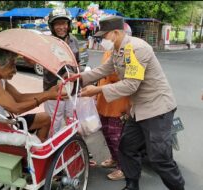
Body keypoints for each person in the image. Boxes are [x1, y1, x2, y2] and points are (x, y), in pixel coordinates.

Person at [70, 16, 185, 190]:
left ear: (116, 33)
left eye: (104, 36)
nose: (102, 40)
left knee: (159, 158)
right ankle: (132, 185)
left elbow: (131, 85)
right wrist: (80, 78)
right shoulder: (118, 49)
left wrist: (98, 90)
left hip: (157, 108)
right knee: (127, 148)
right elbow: (105, 69)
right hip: (138, 109)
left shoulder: (136, 49)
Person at [0, 47, 62, 142]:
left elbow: (19, 97)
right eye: (11, 66)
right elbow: (16, 109)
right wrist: (47, 96)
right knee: (44, 120)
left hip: (0, 124)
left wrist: (48, 93)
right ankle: (37, 154)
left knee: (45, 118)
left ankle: (36, 152)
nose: (15, 71)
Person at [43, 8, 80, 133]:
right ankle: (53, 149)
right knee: (54, 122)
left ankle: (68, 146)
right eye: (57, 24)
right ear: (52, 26)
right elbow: (41, 62)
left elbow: (77, 62)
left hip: (72, 89)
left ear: (69, 25)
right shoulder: (47, 42)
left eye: (64, 23)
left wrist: (77, 75)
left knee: (71, 119)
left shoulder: (73, 40)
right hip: (53, 90)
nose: (61, 27)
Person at [96, 50, 131, 180]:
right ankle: (114, 159)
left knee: (117, 138)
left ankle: (122, 168)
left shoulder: (128, 53)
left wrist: (104, 72)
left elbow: (121, 76)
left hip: (118, 103)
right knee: (107, 134)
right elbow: (101, 75)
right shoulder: (108, 52)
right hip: (103, 102)